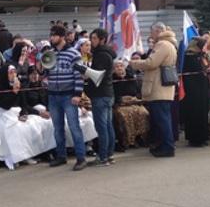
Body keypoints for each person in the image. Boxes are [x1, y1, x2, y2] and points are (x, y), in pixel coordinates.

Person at [130, 22, 178, 158]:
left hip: (158, 87)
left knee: (161, 119)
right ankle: (164, 145)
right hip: (163, 87)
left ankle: (167, 147)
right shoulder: (170, 44)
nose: (151, 35)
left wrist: (134, 63)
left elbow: (151, 63)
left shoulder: (162, 45)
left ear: (158, 31)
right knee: (164, 118)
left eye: (152, 32)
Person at [45, 25, 88, 171]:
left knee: (74, 127)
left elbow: (79, 75)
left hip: (68, 96)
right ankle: (61, 156)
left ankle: (81, 158)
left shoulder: (73, 53)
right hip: (53, 96)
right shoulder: (50, 54)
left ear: (61, 37)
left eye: (54, 36)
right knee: (57, 128)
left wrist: (77, 94)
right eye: (51, 35)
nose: (51, 38)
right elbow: (44, 74)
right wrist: (42, 65)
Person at [84, 29, 116, 166]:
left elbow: (98, 76)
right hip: (107, 93)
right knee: (108, 126)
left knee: (102, 127)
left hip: (101, 94)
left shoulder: (101, 55)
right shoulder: (105, 53)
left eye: (95, 38)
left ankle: (103, 157)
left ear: (102, 39)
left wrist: (84, 72)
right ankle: (109, 155)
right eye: (91, 38)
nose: (92, 41)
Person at [181, 38, 210, 147]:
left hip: (202, 88)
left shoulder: (201, 56)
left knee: (202, 112)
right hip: (193, 90)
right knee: (194, 113)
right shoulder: (189, 56)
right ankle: (195, 139)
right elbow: (196, 70)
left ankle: (203, 137)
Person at [112, 60, 148, 150]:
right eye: (117, 66)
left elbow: (135, 91)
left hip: (133, 102)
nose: (120, 68)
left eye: (121, 66)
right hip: (120, 104)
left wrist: (133, 98)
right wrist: (121, 99)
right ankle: (127, 141)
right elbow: (113, 94)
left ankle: (139, 138)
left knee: (143, 113)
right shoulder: (112, 79)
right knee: (125, 115)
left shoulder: (130, 78)